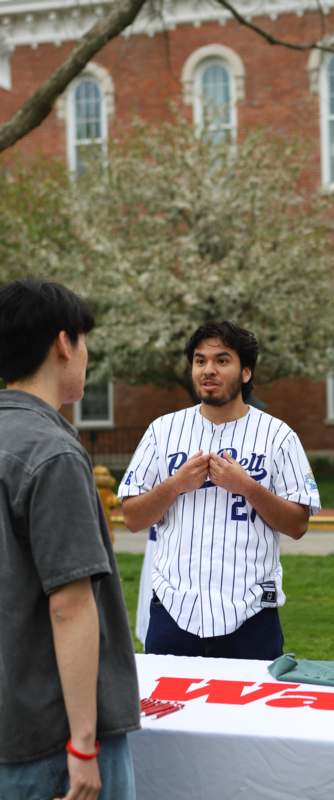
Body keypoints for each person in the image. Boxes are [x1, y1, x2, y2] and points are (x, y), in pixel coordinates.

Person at [0, 279, 140, 800]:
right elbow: (71, 605)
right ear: (64, 344)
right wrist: (83, 745)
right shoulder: (52, 454)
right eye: (84, 342)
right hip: (50, 739)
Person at [119, 321, 320, 659]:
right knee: (168, 711)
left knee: (249, 713)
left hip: (251, 614)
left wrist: (248, 488)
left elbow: (297, 525)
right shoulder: (163, 431)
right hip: (173, 610)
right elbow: (132, 517)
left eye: (222, 360)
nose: (208, 370)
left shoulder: (278, 436)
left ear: (245, 372)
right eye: (200, 361)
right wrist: (174, 485)